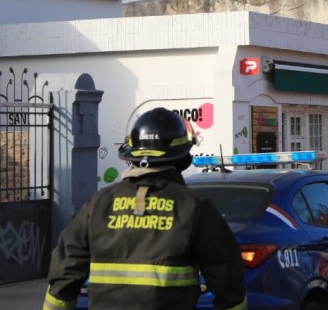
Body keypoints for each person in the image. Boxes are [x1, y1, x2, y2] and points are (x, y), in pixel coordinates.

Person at [44, 107, 247, 310]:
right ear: (182, 156)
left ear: (131, 153)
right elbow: (228, 280)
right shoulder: (194, 207)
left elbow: (65, 273)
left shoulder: (99, 204)